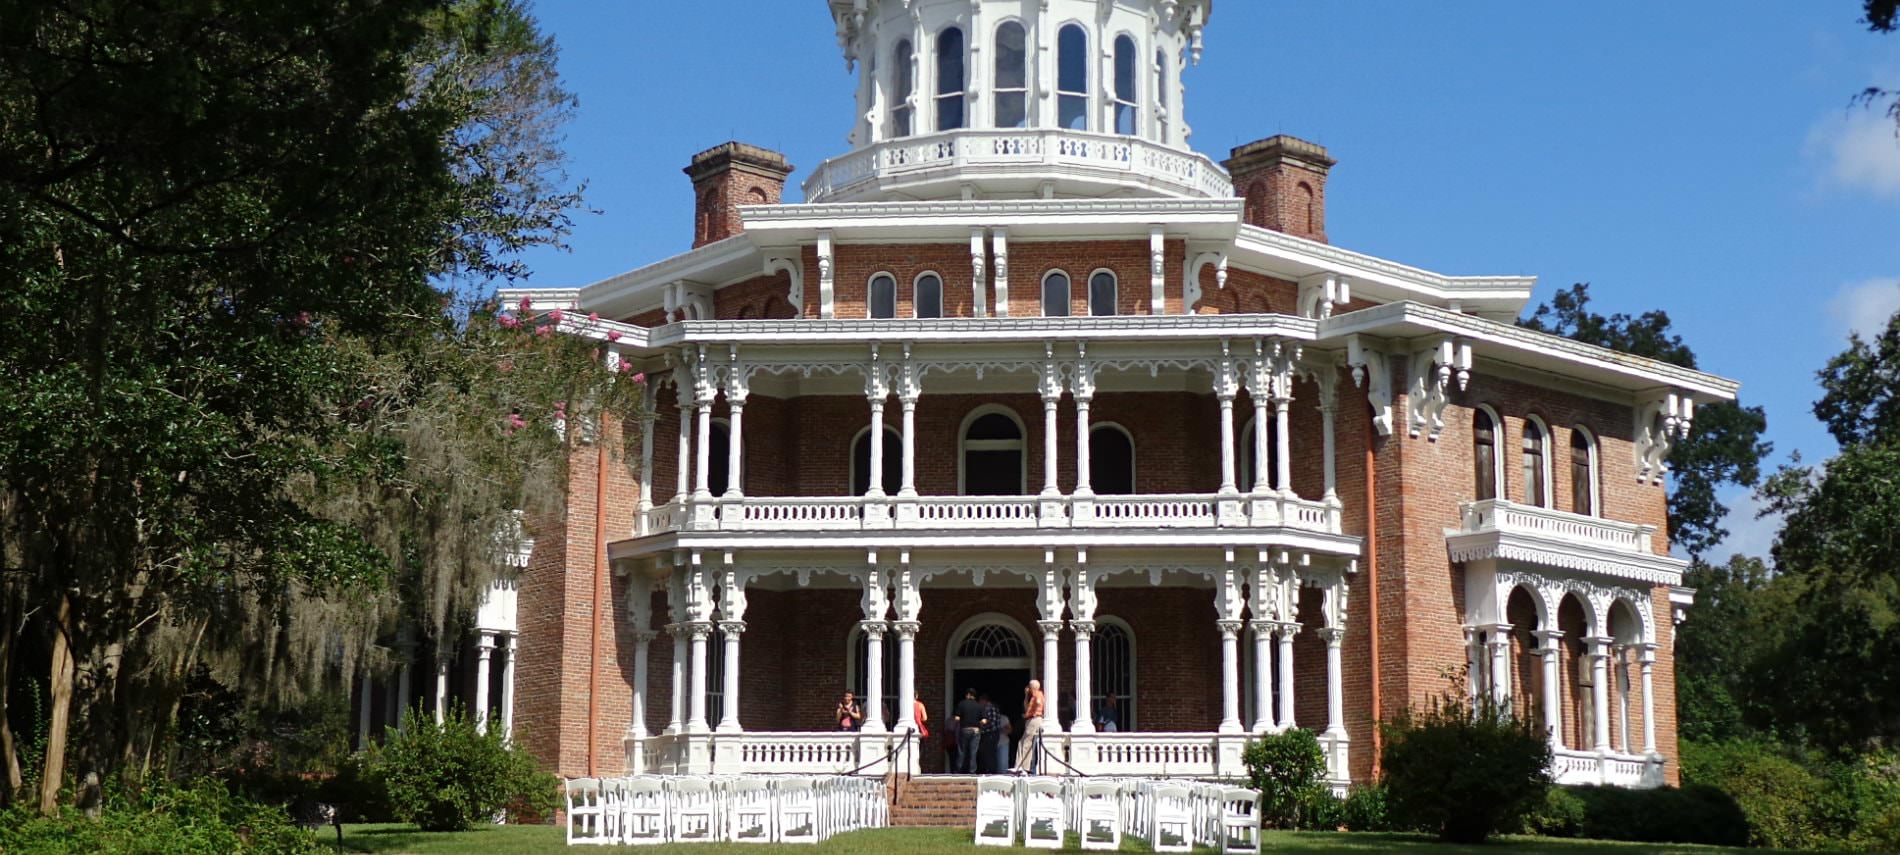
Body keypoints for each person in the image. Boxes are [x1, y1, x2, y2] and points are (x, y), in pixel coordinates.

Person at [1013, 679, 1045, 774]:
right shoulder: (1032, 696)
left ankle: (1023, 767)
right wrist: (1026, 695)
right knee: (1023, 742)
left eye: (1029, 687)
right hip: (1031, 719)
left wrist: (1035, 712)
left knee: (1026, 742)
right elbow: (1027, 708)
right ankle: (1020, 766)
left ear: (1031, 687)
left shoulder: (1037, 695)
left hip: (1034, 719)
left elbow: (1039, 703)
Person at [952, 688, 987, 774]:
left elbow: (957, 718)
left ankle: (958, 770)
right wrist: (979, 724)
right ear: (974, 696)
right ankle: (972, 771)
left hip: (965, 729)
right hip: (976, 730)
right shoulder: (979, 706)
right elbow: (984, 720)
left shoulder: (962, 704)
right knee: (973, 752)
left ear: (967, 695)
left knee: (962, 751)